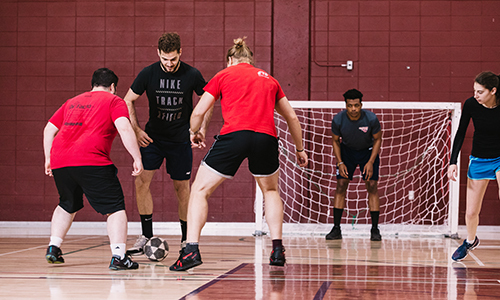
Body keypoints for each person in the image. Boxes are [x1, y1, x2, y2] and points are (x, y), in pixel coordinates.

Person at [169, 37, 308, 272]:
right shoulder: (269, 79)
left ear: (230, 60)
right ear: (250, 60)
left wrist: (194, 132)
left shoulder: (223, 75)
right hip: (265, 138)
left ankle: (191, 250)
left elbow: (198, 112)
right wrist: (300, 148)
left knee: (199, 190)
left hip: (235, 136)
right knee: (271, 190)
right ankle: (276, 250)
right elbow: (292, 117)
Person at [43, 68, 143, 270]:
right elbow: (124, 127)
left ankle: (53, 247)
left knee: (67, 204)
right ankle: (118, 257)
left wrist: (48, 158)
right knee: (115, 208)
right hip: (91, 160)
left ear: (93, 84)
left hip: (60, 160)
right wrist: (137, 157)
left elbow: (49, 129)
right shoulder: (114, 101)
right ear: (113, 87)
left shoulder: (72, 101)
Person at [123, 32, 211, 255]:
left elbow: (208, 100)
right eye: (165, 59)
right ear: (158, 54)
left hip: (180, 140)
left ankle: (185, 239)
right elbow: (128, 100)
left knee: (182, 189)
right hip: (153, 138)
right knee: (141, 182)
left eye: (173, 58)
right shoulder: (148, 73)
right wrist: (137, 130)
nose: (169, 64)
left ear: (180, 52)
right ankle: (145, 235)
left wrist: (200, 129)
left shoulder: (191, 74)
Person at [449, 71, 500, 261]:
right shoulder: (471, 104)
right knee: (471, 212)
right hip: (480, 159)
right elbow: (461, 133)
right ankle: (470, 241)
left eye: (480, 92)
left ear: (493, 91)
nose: (475, 95)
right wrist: (452, 161)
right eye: (474, 91)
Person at [325, 89, 383, 241]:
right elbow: (335, 141)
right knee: (341, 185)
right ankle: (336, 228)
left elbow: (377, 140)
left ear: (361, 105)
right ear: (346, 105)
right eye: (350, 106)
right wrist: (340, 162)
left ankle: (375, 229)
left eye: (356, 105)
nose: (353, 109)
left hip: (367, 152)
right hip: (347, 152)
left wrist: (370, 161)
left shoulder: (371, 119)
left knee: (371, 185)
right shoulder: (338, 120)